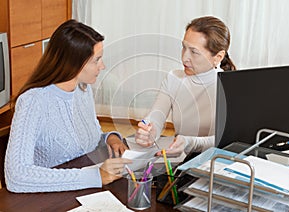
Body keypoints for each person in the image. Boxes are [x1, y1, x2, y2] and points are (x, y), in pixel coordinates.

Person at [4, 19, 131, 193]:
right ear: (74, 63)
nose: (103, 66)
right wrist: (95, 176)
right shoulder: (33, 102)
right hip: (48, 197)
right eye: (97, 60)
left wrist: (110, 138)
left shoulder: (82, 89)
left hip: (84, 190)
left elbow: (88, 140)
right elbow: (16, 176)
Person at [135, 16, 236, 156]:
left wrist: (190, 142)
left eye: (194, 52)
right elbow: (156, 115)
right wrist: (150, 131)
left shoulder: (230, 87)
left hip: (215, 162)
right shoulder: (174, 78)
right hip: (181, 159)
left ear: (218, 57)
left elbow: (228, 140)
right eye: (184, 47)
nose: (184, 58)